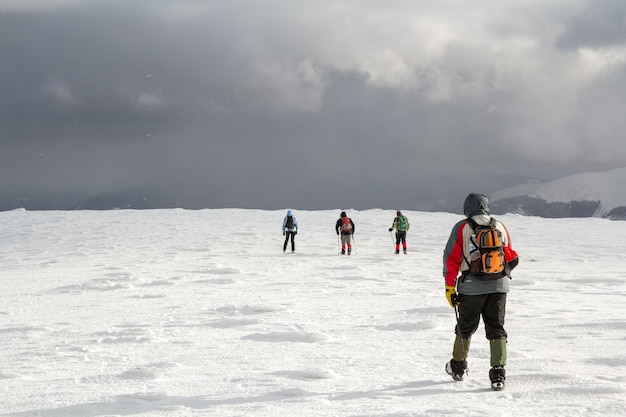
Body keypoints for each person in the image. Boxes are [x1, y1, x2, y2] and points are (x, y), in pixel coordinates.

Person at [442, 193, 519, 390]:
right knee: (496, 328)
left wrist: (450, 287)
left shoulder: (462, 227)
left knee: (466, 326)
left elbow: (451, 258)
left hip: (471, 287)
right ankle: (498, 373)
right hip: (500, 286)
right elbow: (510, 255)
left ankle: (458, 366)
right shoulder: (499, 226)